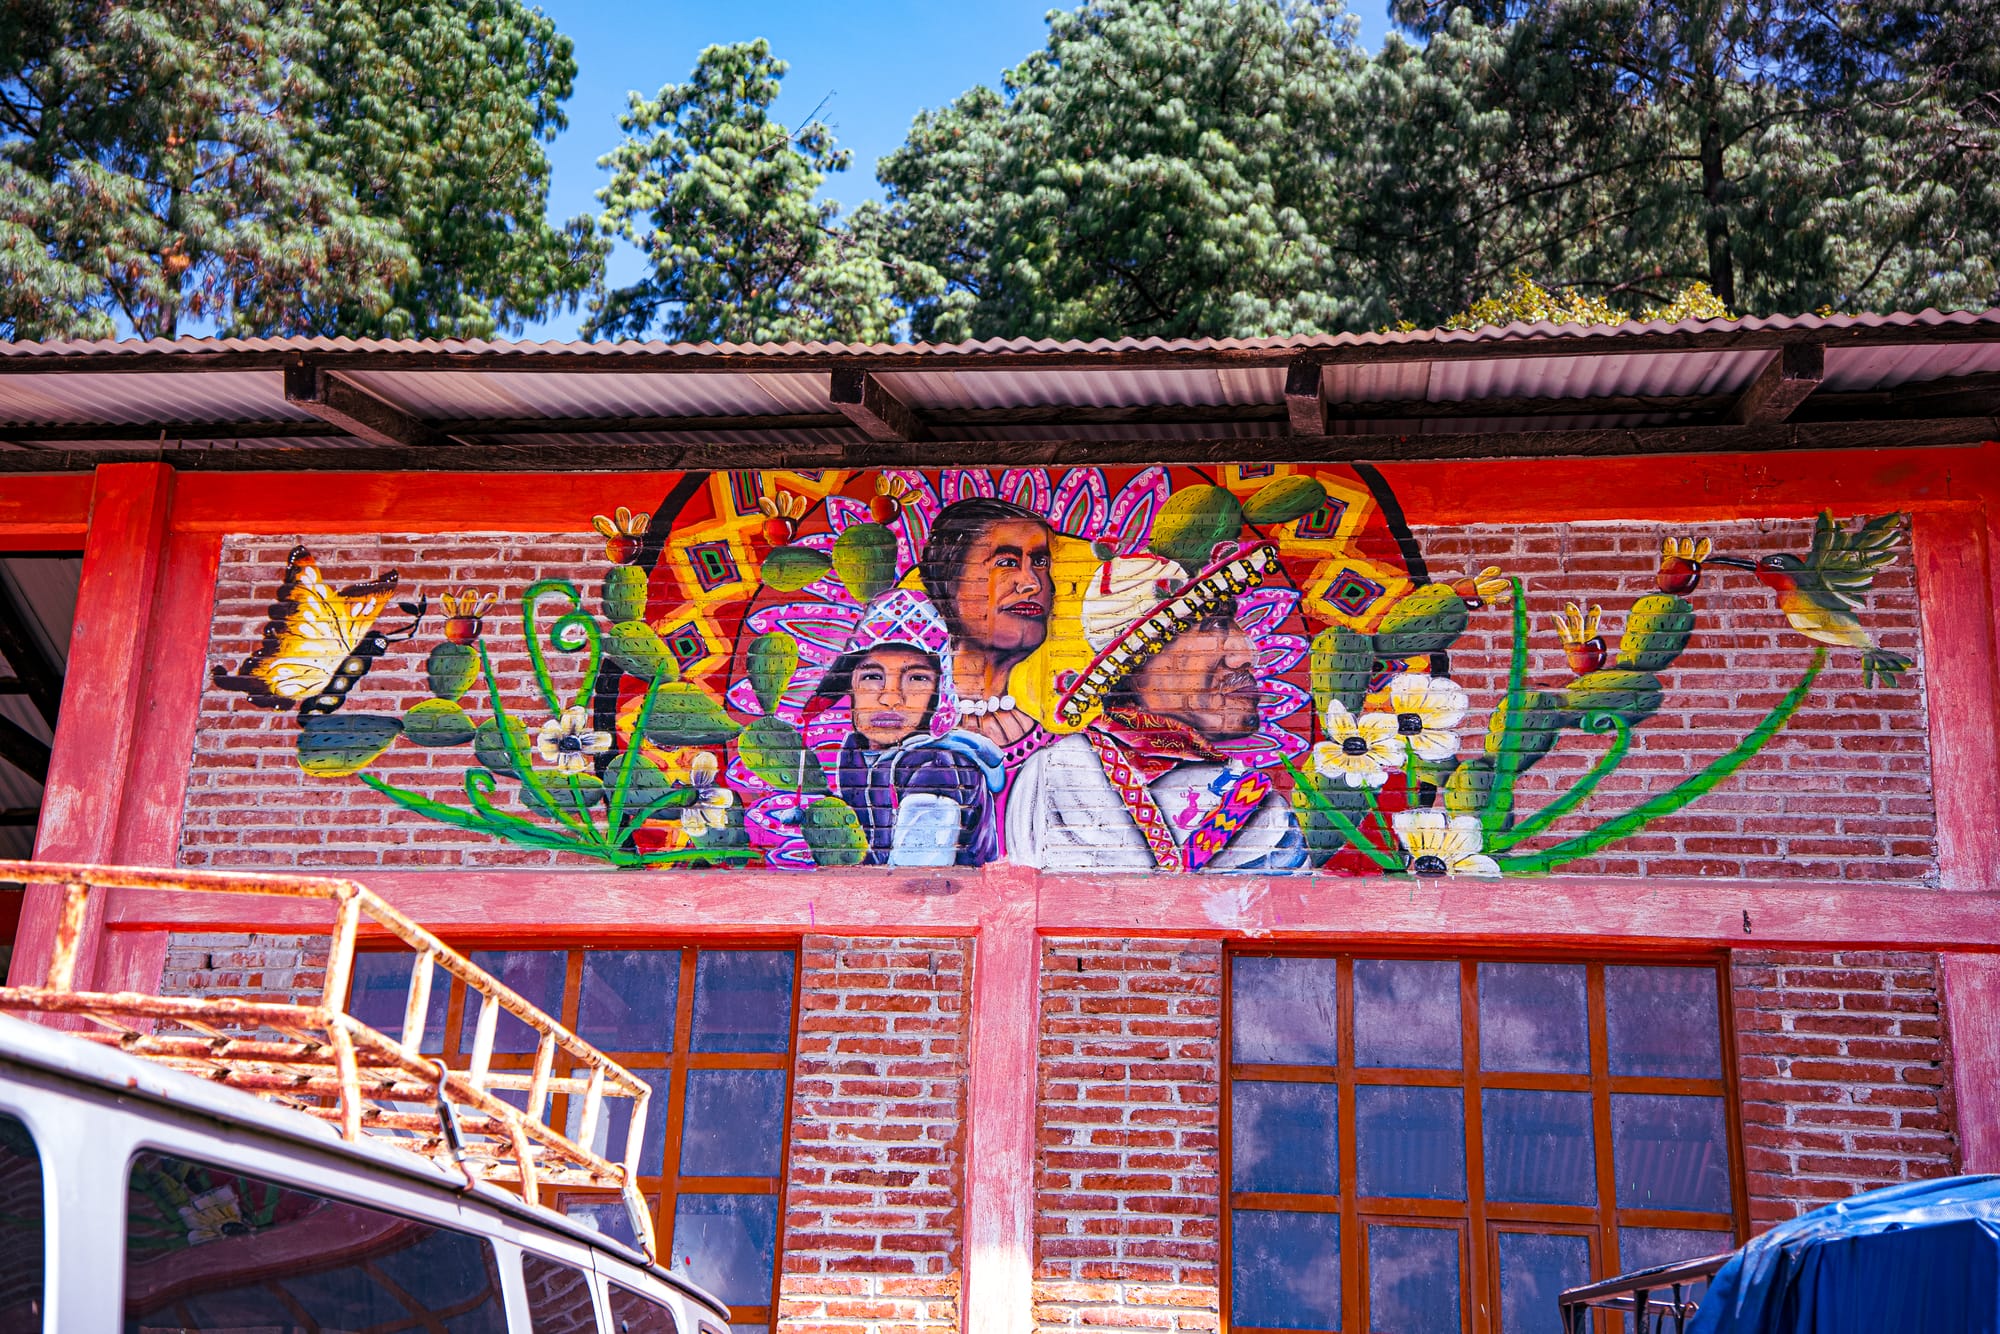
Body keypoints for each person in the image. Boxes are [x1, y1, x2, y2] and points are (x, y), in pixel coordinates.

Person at [1006, 545, 1306, 873]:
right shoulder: (1057, 774)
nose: (1246, 653)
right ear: (1139, 660)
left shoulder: (1262, 808)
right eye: (1216, 626)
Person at [816, 589, 1004, 867]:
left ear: (939, 693)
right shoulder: (856, 756)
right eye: (872, 676)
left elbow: (918, 879)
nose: (891, 697)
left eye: (916, 678)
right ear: (850, 684)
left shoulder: (937, 768)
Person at [917, 497, 1054, 763]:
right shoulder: (899, 722)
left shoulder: (1067, 751)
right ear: (945, 580)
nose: (1032, 584)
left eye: (1040, 562)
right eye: (1005, 563)